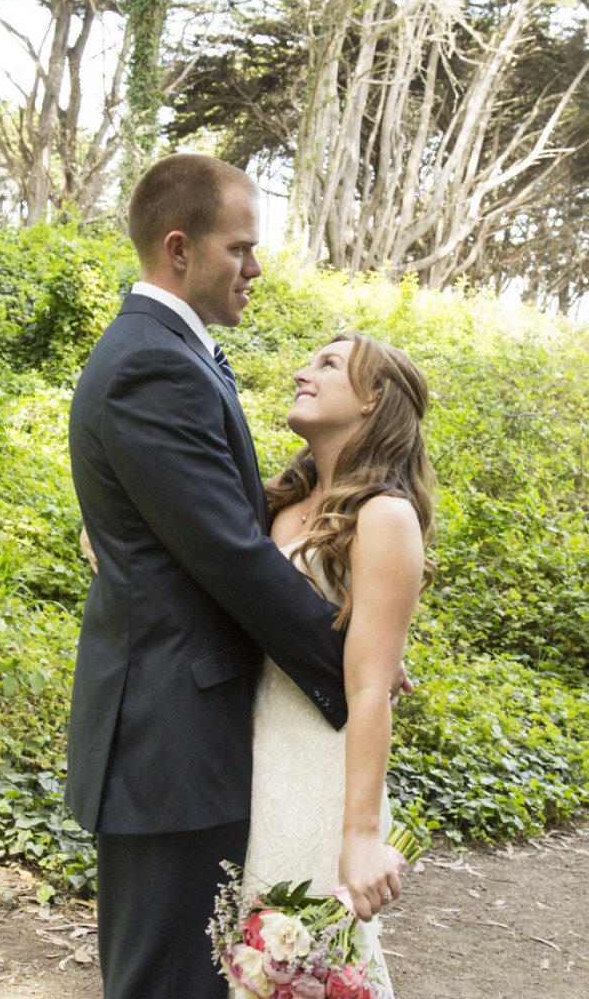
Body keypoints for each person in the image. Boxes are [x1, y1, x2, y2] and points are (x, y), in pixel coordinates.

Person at [66, 153, 354, 999]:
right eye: (242, 248)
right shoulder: (153, 366)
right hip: (169, 745)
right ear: (181, 248)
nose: (256, 269)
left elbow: (212, 521)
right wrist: (348, 663)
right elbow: (228, 550)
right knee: (164, 982)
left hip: (182, 736)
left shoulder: (171, 354)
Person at [233, 334, 435, 998]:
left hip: (322, 772)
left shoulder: (384, 516)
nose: (301, 371)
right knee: (247, 965)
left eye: (327, 365)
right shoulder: (274, 502)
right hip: (249, 761)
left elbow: (371, 682)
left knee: (309, 964)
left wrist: (360, 836)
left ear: (373, 399)